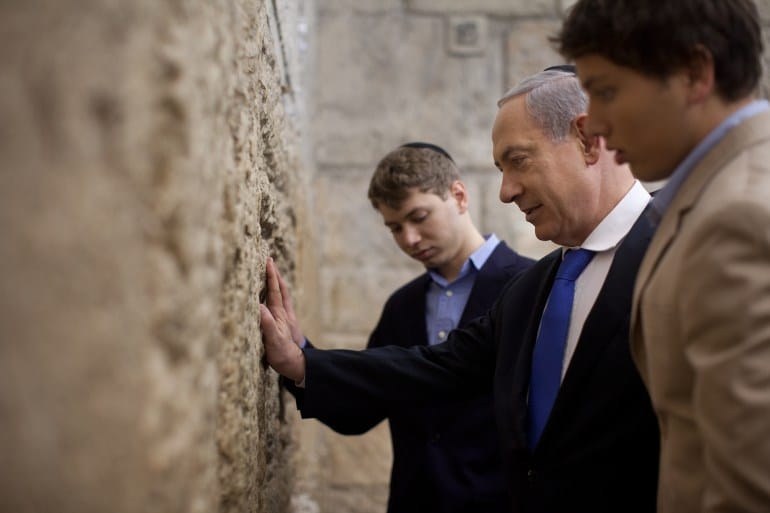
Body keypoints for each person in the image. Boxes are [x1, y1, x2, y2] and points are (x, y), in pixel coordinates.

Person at [261, 68, 660, 513]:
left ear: (587, 138)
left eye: (519, 160)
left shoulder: (686, 250)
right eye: (395, 227)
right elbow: (439, 368)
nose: (506, 191)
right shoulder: (531, 291)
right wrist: (302, 363)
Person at [556, 1, 770, 512]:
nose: (596, 125)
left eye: (607, 91)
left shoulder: (739, 216)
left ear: (694, 73)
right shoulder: (714, 195)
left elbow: (752, 482)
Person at [285, 142, 534, 513]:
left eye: (419, 217)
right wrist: (298, 354)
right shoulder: (402, 306)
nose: (409, 239)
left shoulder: (529, 285)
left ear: (459, 195)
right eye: (395, 227)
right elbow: (358, 411)